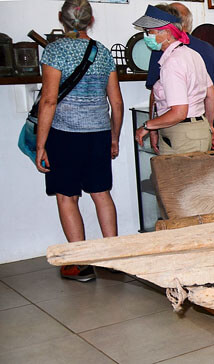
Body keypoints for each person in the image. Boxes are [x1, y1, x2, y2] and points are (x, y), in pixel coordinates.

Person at [35, 0, 123, 282]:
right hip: (98, 134)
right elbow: (116, 102)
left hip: (65, 136)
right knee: (101, 194)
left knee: (67, 196)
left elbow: (48, 100)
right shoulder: (103, 52)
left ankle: (80, 264)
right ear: (90, 19)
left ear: (61, 18)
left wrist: (40, 145)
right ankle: (113, 259)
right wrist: (114, 137)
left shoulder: (55, 50)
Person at [145, 2, 214, 152]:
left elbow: (163, 102)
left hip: (179, 133)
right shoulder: (198, 53)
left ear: (167, 31)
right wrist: (212, 126)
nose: (148, 36)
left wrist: (150, 126)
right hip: (199, 128)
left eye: (150, 31)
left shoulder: (170, 59)